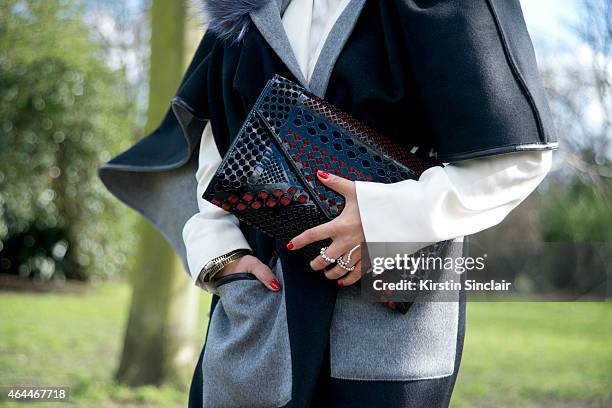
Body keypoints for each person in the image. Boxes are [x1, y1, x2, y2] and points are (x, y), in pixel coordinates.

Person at [100, 0, 557, 406]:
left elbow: (515, 160)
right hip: (255, 322)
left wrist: (382, 220)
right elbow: (217, 147)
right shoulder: (241, 9)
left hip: (387, 338)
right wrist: (219, 251)